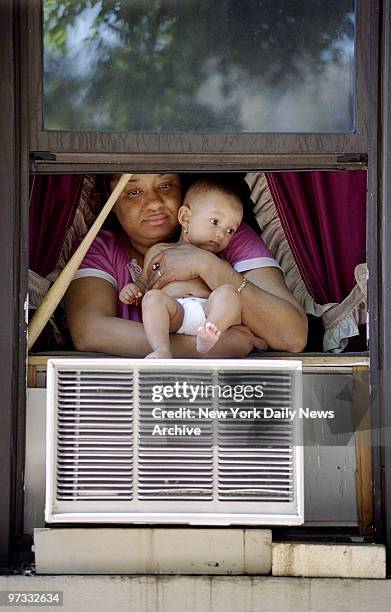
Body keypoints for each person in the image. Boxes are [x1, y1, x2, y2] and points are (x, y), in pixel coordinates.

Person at [64, 173, 307, 357]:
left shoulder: (223, 232)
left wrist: (206, 264)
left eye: (165, 186)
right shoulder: (100, 248)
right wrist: (219, 347)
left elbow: (292, 336)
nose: (154, 203)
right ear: (112, 204)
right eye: (134, 192)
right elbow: (89, 332)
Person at [119, 179, 247, 358]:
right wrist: (133, 290)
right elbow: (143, 283)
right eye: (215, 221)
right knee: (152, 299)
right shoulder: (160, 251)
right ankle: (162, 349)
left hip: (208, 312)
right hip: (174, 312)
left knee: (229, 293)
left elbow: (228, 300)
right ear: (185, 218)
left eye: (230, 230)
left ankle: (211, 333)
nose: (221, 234)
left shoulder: (219, 264)